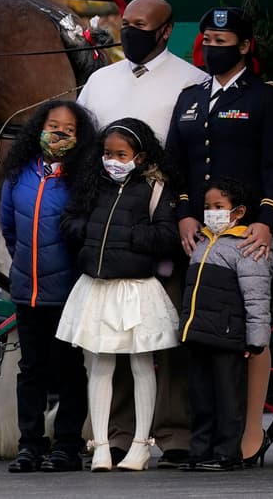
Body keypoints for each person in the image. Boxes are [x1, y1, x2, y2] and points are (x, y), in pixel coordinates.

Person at [77, 0, 207, 468]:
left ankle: (173, 434)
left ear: (166, 30)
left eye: (141, 25)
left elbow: (195, 156)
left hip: (160, 220)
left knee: (164, 334)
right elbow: (85, 154)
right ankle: (108, 436)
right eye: (125, 22)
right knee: (106, 340)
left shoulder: (193, 82)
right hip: (107, 224)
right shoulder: (99, 80)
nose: (130, 31)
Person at [166, 6, 273, 466]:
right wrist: (182, 212)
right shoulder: (189, 98)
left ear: (245, 46)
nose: (212, 49)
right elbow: (176, 164)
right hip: (200, 235)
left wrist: (267, 219)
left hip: (247, 233)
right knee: (202, 333)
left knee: (248, 329)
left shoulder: (267, 98)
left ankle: (248, 431)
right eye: (207, 41)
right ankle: (199, 439)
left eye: (222, 42)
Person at [56, 119, 181, 472]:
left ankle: (141, 445)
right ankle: (101, 445)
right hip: (96, 285)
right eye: (108, 153)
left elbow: (167, 234)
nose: (112, 160)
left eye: (121, 154)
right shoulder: (93, 185)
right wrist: (90, 235)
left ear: (139, 157)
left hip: (136, 288)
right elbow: (69, 221)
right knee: (99, 364)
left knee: (142, 364)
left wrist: (128, 238)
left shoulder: (155, 188)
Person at [0, 100, 95, 473]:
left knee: (69, 368)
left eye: (68, 130)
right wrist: (24, 263)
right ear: (39, 127)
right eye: (52, 125)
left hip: (68, 292)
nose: (57, 134)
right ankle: (30, 445)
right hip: (27, 290)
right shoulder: (19, 173)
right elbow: (8, 229)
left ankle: (68, 446)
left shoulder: (83, 178)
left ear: (79, 136)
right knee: (31, 370)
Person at [177, 176, 271, 471]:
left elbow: (257, 298)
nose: (211, 212)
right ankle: (200, 451)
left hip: (227, 336)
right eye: (207, 207)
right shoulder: (202, 243)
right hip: (199, 334)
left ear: (238, 212)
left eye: (219, 206)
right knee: (200, 398)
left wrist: (256, 340)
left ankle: (227, 453)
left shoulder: (245, 248)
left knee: (229, 398)